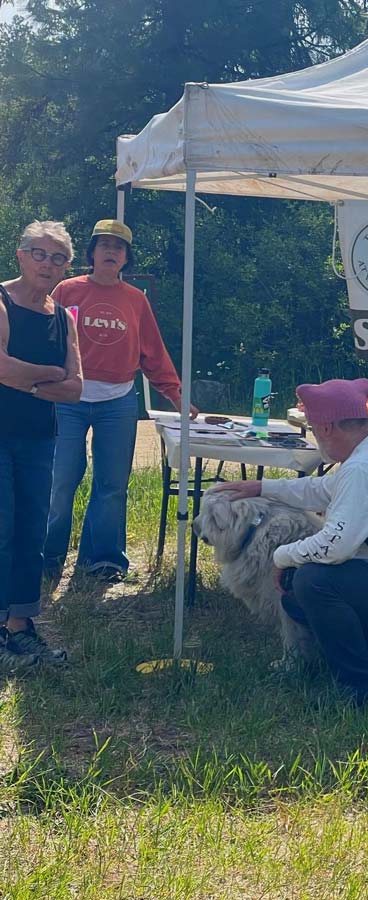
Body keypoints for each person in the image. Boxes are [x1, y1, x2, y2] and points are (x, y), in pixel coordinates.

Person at [209, 378, 368, 704]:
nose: (314, 437)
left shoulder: (363, 468)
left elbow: (335, 547)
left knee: (312, 581)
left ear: (326, 428)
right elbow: (321, 489)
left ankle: (357, 686)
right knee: (297, 596)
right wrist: (262, 488)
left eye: (312, 429)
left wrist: (282, 556)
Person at [44, 220, 197, 582]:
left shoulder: (135, 299)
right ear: (92, 253)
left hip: (118, 402)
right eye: (104, 245)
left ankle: (103, 561)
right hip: (68, 399)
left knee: (112, 485)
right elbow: (46, 339)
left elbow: (153, 352)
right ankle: (47, 557)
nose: (111, 251)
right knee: (60, 480)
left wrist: (175, 394)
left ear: (127, 258)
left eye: (119, 247)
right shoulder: (66, 290)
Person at [0, 221, 82, 668]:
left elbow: (75, 388)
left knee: (32, 532)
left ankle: (21, 627)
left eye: (58, 258)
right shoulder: (1, 301)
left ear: (66, 267)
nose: (47, 264)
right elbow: (0, 367)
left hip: (38, 438)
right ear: (20, 255)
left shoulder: (64, 318)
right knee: (2, 530)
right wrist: (48, 376)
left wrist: (27, 380)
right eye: (39, 254)